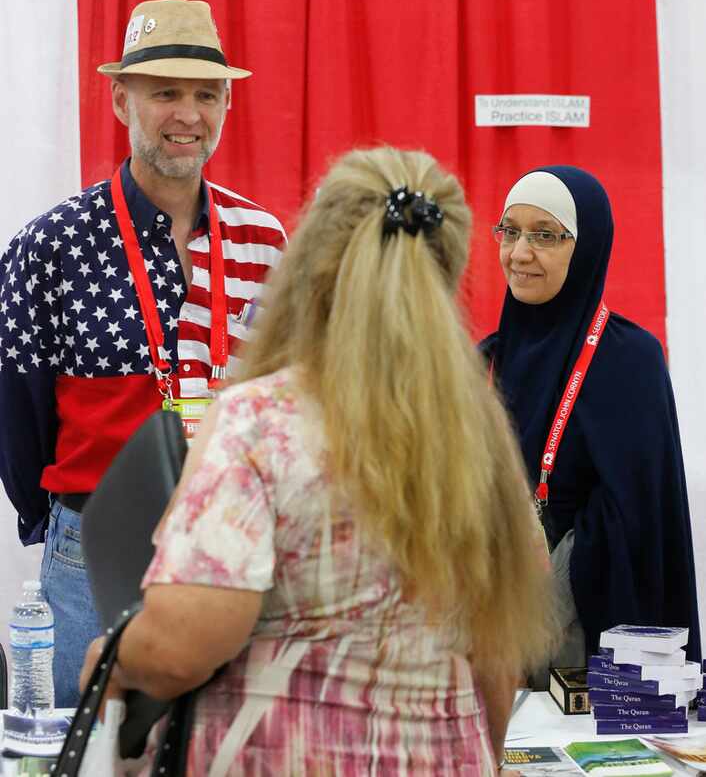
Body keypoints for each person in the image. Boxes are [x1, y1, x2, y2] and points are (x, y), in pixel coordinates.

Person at [80, 146, 555, 775]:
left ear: (312, 269)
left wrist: (111, 656)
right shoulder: (483, 436)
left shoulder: (263, 421)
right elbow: (498, 663)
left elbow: (183, 645)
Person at [0, 0, 287, 707]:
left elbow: (285, 404)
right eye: (165, 93)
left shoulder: (266, 240)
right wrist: (66, 515)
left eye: (205, 94)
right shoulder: (52, 245)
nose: (187, 113)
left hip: (229, 546)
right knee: (83, 738)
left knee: (215, 743)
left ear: (226, 103)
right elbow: (17, 409)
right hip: (95, 541)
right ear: (121, 99)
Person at [480, 165, 701, 671]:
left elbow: (641, 521)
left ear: (587, 246)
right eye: (509, 230)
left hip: (583, 646)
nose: (519, 253)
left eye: (545, 235)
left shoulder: (628, 361)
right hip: (481, 631)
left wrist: (532, 606)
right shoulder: (484, 362)